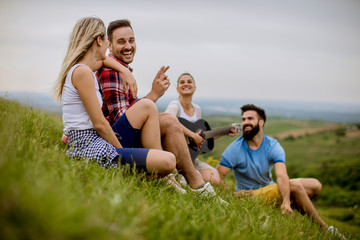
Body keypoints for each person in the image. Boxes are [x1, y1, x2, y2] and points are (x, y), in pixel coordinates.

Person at [97, 19, 220, 198]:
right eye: (121, 41)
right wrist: (153, 95)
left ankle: (193, 182)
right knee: (164, 116)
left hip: (121, 134)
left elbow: (132, 112)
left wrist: (153, 95)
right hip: (114, 141)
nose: (128, 46)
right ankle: (180, 179)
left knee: (168, 120)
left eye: (131, 40)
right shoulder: (111, 71)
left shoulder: (121, 70)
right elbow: (122, 118)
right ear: (109, 45)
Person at [53, 17, 176, 177]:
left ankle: (156, 176)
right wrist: (120, 153)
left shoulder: (84, 68)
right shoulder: (82, 72)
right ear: (99, 40)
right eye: (105, 39)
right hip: (88, 144)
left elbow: (105, 61)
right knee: (168, 161)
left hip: (93, 140)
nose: (107, 46)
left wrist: (125, 71)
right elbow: (100, 124)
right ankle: (148, 175)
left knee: (165, 160)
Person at [216, 104, 346, 238]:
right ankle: (326, 229)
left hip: (270, 188)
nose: (245, 122)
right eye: (243, 119)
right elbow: (216, 176)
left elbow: (282, 175)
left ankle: (287, 203)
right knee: (295, 187)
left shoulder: (272, 145)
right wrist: (232, 195)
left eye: (250, 118)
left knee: (315, 185)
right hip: (251, 195)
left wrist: (285, 200)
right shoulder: (235, 148)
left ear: (261, 122)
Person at [165, 73, 236, 185]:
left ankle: (234, 196)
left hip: (191, 158)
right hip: (175, 155)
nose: (186, 84)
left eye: (189, 81)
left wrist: (226, 131)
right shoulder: (175, 105)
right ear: (177, 88)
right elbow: (168, 118)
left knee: (215, 178)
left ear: (195, 87)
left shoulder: (197, 109)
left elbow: (200, 138)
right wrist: (192, 135)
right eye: (182, 82)